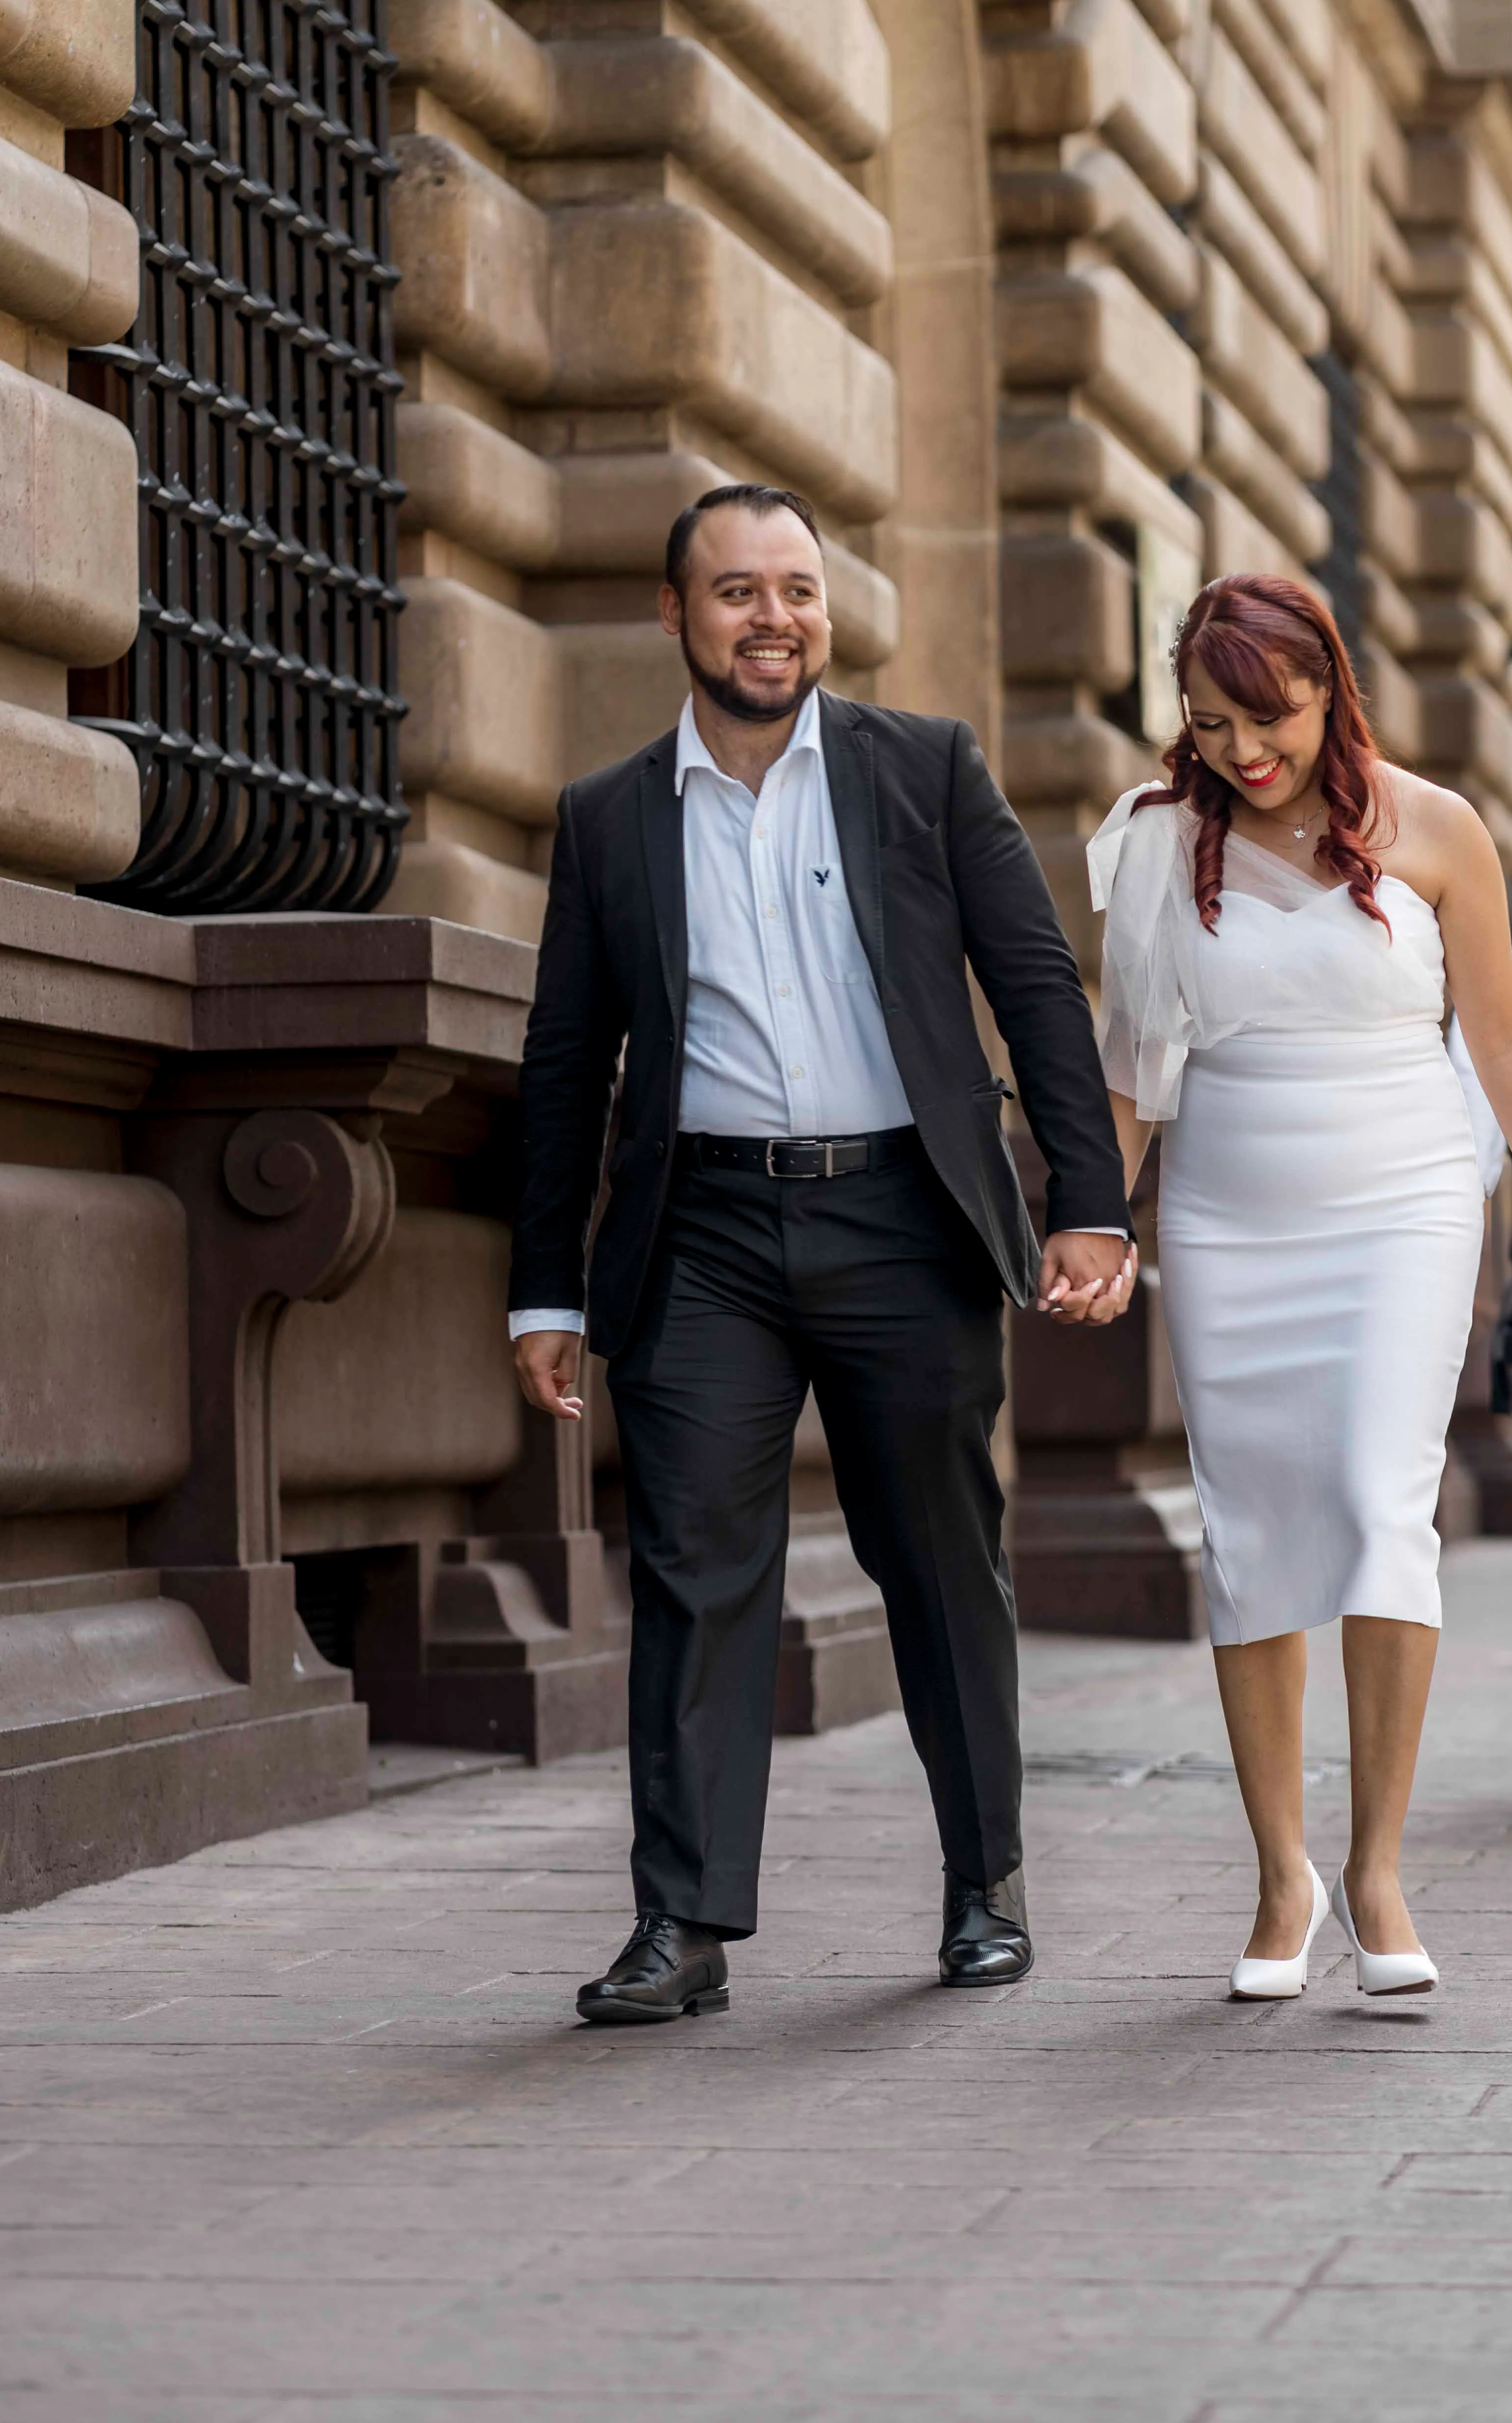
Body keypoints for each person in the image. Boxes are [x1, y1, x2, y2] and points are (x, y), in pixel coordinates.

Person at [509, 482, 1136, 2023]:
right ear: (676, 614)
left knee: (939, 1559)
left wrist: (1089, 1199)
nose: (773, 618)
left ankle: (985, 1885)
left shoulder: (923, 768)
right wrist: (546, 1287)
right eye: (738, 591)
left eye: (796, 589)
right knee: (692, 1566)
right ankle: (683, 1921)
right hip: (701, 1232)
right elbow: (565, 1062)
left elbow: (1036, 984)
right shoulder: (608, 817)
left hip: (903, 1217)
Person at [1090, 575, 1512, 2002]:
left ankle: (1379, 1868)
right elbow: (1134, 1060)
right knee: (1251, 1523)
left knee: (1381, 1499)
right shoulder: (1161, 843)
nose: (1242, 752)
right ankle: (1286, 1879)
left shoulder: (1437, 827)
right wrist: (1096, 1222)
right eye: (1211, 725)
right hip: (1228, 1215)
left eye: (1267, 718)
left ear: (1330, 688)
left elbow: (1502, 1039)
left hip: (1404, 1201)